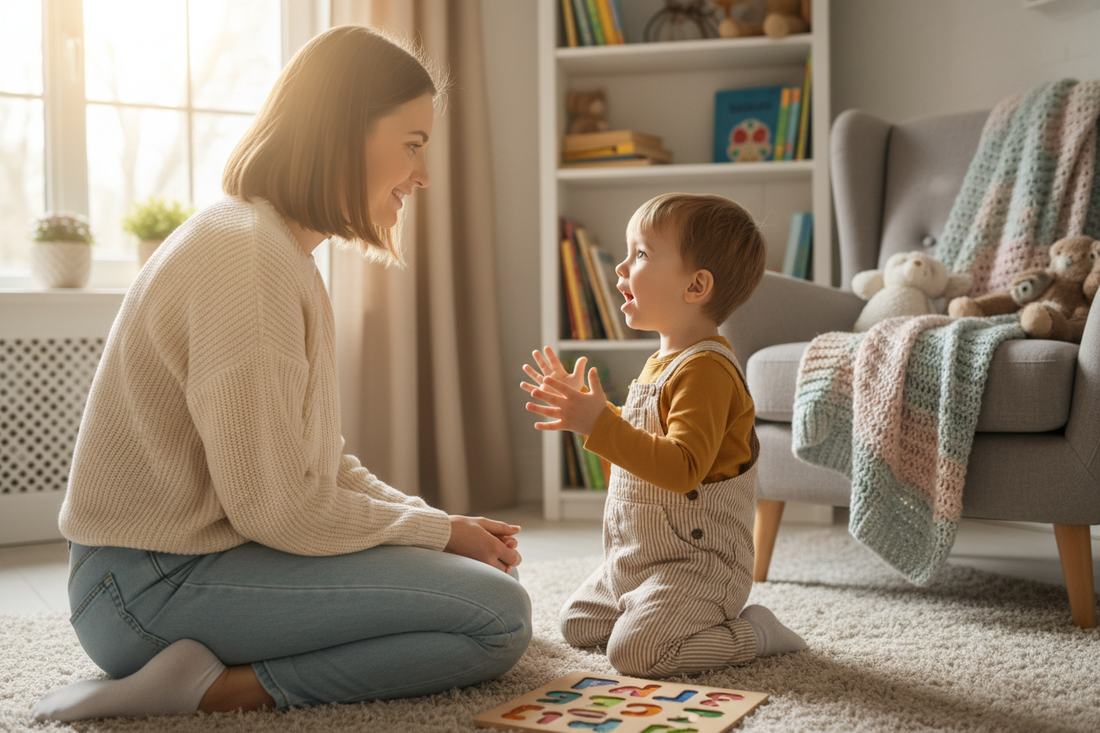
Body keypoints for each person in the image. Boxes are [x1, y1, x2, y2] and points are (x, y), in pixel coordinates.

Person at [31, 25, 530, 723]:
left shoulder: (271, 248)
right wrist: (436, 535)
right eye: (412, 144)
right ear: (342, 130)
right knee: (498, 618)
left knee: (477, 592)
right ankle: (208, 689)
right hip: (144, 591)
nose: (423, 174)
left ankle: (211, 671)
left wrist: (434, 521)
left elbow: (318, 466)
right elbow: (280, 507)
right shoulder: (248, 259)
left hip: (170, 571)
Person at [522, 193, 806, 678]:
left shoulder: (708, 370)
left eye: (641, 254)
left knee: (636, 655)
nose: (621, 268)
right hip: (638, 561)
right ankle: (659, 614)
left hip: (697, 566)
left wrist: (600, 424)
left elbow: (680, 469)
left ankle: (753, 633)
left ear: (696, 286)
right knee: (577, 625)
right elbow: (637, 467)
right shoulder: (661, 364)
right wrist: (593, 413)